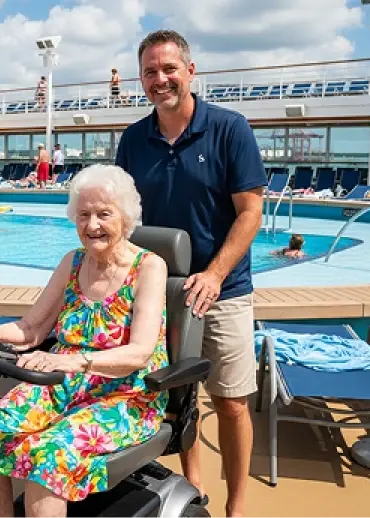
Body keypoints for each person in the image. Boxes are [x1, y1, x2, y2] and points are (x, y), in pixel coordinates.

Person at [0, 164, 169, 518]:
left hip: (124, 395)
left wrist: (76, 361)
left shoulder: (148, 267)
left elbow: (140, 353)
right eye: (83, 215)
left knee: (48, 454)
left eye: (103, 214)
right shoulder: (73, 262)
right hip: (61, 384)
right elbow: (30, 329)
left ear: (126, 216)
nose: (92, 225)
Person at [115, 30, 267, 518]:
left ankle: (236, 508)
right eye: (150, 72)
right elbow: (124, 218)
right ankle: (193, 485)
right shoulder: (133, 140)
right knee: (179, 399)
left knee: (231, 404)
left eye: (169, 69)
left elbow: (250, 213)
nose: (160, 79)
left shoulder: (229, 129)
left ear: (190, 71)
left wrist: (215, 274)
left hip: (223, 291)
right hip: (159, 291)